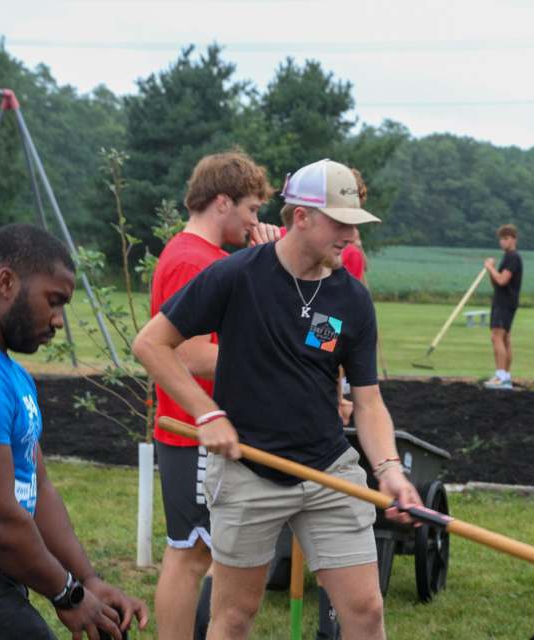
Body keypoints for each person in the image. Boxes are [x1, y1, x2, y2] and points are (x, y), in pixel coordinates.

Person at [133, 158, 422, 640]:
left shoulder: (349, 300)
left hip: (328, 471)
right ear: (301, 216)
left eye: (356, 225)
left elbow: (369, 403)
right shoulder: (238, 276)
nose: (350, 238)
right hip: (251, 472)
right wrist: (208, 413)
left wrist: (390, 469)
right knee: (235, 616)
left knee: (367, 611)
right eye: (339, 223)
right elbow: (151, 343)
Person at [0, 223, 149, 639]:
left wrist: (88, 579)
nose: (57, 320)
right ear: (6, 282)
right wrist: (67, 595)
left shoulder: (10, 373)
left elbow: (39, 488)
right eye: (54, 301)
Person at [149, 150, 276, 640]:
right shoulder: (190, 260)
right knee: (191, 553)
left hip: (199, 429)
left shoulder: (207, 258)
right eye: (251, 210)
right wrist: (269, 364)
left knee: (192, 550)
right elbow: (193, 355)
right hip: (191, 430)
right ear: (222, 202)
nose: (254, 223)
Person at [483, 224, 524, 390]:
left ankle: (501, 376)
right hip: (502, 300)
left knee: (497, 336)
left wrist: (490, 268)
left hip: (505, 303)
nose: (503, 242)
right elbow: (497, 283)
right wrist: (490, 271)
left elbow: (502, 280)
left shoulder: (513, 257)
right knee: (504, 338)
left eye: (506, 238)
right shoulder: (507, 257)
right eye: (501, 239)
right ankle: (505, 376)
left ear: (514, 239)